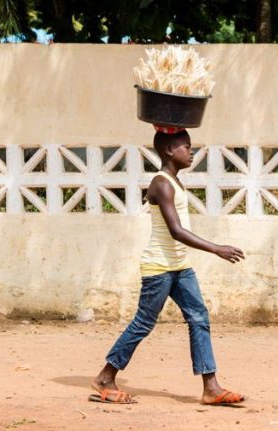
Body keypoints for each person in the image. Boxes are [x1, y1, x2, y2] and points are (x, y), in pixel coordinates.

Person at [90, 129, 246, 405]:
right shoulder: (162, 184)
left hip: (179, 265)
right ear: (170, 151)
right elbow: (176, 230)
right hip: (159, 267)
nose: (192, 151)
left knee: (199, 318)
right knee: (144, 323)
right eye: (187, 147)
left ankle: (211, 387)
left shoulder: (175, 181)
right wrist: (216, 248)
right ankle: (105, 376)